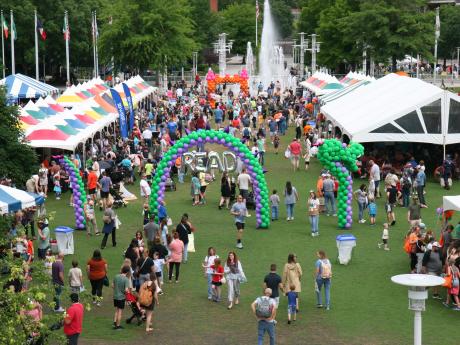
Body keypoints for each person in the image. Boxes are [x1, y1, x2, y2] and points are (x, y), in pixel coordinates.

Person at [112, 265, 130, 330]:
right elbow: (126, 290)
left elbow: (112, 286)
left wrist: (117, 289)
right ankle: (118, 325)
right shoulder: (126, 279)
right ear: (127, 272)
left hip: (115, 296)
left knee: (117, 310)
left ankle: (114, 322)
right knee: (120, 311)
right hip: (121, 297)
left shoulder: (116, 276)